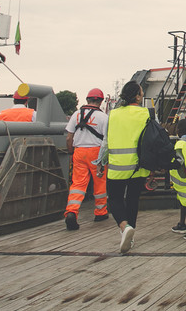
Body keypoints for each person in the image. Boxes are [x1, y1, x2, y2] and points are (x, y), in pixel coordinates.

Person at [96, 81, 150, 254]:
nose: (142, 96)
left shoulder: (113, 115)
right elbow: (150, 140)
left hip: (118, 166)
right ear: (136, 96)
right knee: (133, 199)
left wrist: (101, 162)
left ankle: (124, 227)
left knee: (114, 199)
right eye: (141, 93)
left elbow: (105, 142)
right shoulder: (146, 114)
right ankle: (130, 235)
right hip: (138, 166)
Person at [64, 88, 110, 230]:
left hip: (79, 152)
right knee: (100, 183)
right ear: (101, 101)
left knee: (78, 184)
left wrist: (71, 151)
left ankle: (71, 211)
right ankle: (100, 212)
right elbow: (107, 140)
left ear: (87, 100)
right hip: (96, 152)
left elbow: (69, 137)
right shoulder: (104, 117)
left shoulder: (76, 115)